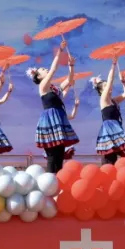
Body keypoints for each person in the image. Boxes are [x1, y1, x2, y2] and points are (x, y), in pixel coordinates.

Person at [28, 39, 79, 173]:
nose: (46, 69)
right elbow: (53, 69)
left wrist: (71, 66)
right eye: (42, 70)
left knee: (60, 154)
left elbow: (70, 80)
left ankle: (59, 179)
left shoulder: (55, 89)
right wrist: (60, 51)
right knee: (52, 155)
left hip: (59, 119)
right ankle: (50, 179)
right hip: (50, 120)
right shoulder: (43, 86)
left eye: (45, 68)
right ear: (39, 77)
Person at [92, 57, 125, 164]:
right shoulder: (103, 99)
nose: (109, 87)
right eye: (105, 86)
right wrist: (114, 64)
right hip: (108, 129)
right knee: (109, 156)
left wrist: (124, 82)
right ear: (101, 90)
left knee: (114, 156)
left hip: (116, 127)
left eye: (108, 86)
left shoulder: (113, 100)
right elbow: (110, 80)